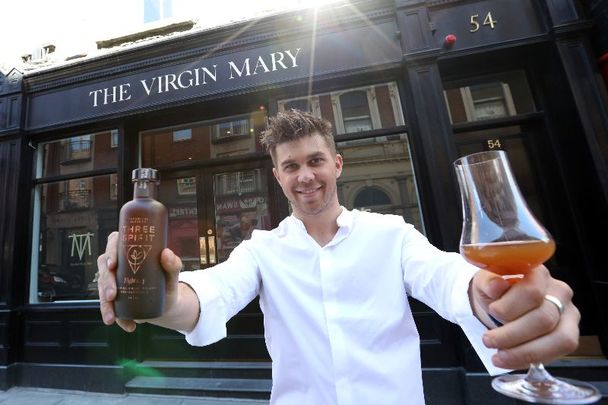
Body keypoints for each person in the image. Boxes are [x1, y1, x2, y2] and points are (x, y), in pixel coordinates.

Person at [97, 110, 579, 404]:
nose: (305, 176)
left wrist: (491, 294)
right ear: (277, 176)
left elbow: (447, 277)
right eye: (291, 166)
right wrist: (155, 295)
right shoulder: (263, 250)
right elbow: (208, 295)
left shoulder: (392, 233)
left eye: (315, 161)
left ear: (337, 165)